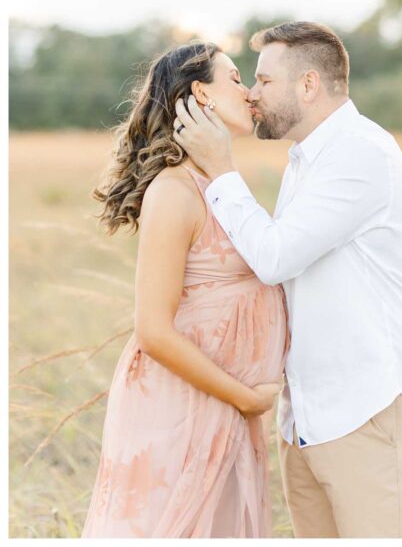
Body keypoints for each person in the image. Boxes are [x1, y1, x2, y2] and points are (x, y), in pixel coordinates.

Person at [172, 21, 402, 538]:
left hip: (367, 408)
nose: (250, 92)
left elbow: (274, 257)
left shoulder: (360, 154)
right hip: (308, 416)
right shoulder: (305, 160)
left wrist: (222, 168)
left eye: (264, 81)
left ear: (308, 85)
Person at [83, 43, 287, 537]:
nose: (249, 91)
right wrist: (246, 398)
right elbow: (152, 331)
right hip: (182, 405)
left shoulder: (219, 184)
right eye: (236, 78)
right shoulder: (175, 192)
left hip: (223, 404)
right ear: (202, 93)